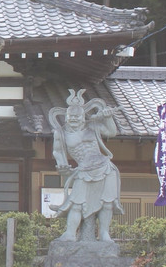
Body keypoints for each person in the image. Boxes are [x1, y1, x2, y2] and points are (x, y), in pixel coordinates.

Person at [49, 89, 124, 242]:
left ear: (84, 117)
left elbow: (111, 132)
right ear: (66, 117)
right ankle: (70, 233)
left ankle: (104, 233)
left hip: (105, 167)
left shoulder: (93, 126)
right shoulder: (61, 133)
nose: (75, 119)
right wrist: (63, 166)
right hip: (83, 169)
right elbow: (58, 152)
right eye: (71, 117)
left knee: (107, 203)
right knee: (76, 203)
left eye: (78, 116)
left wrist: (108, 117)